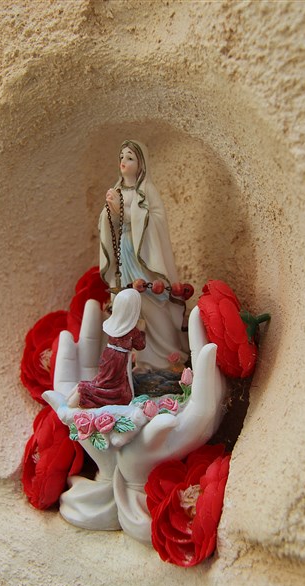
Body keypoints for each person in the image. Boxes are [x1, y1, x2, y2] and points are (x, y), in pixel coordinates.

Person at [99, 140, 188, 371]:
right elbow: (111, 224)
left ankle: (170, 356)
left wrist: (127, 212)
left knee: (153, 302)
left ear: (141, 164)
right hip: (125, 253)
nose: (123, 162)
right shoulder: (118, 190)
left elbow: (157, 218)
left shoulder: (147, 190)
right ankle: (143, 362)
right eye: (122, 157)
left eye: (130, 158)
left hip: (145, 256)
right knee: (132, 305)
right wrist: (110, 212)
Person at [71, 289, 146, 409]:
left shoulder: (114, 323)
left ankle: (81, 390)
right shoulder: (131, 330)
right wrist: (141, 330)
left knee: (103, 381)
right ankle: (84, 390)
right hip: (119, 360)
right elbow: (140, 345)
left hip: (108, 354)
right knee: (113, 389)